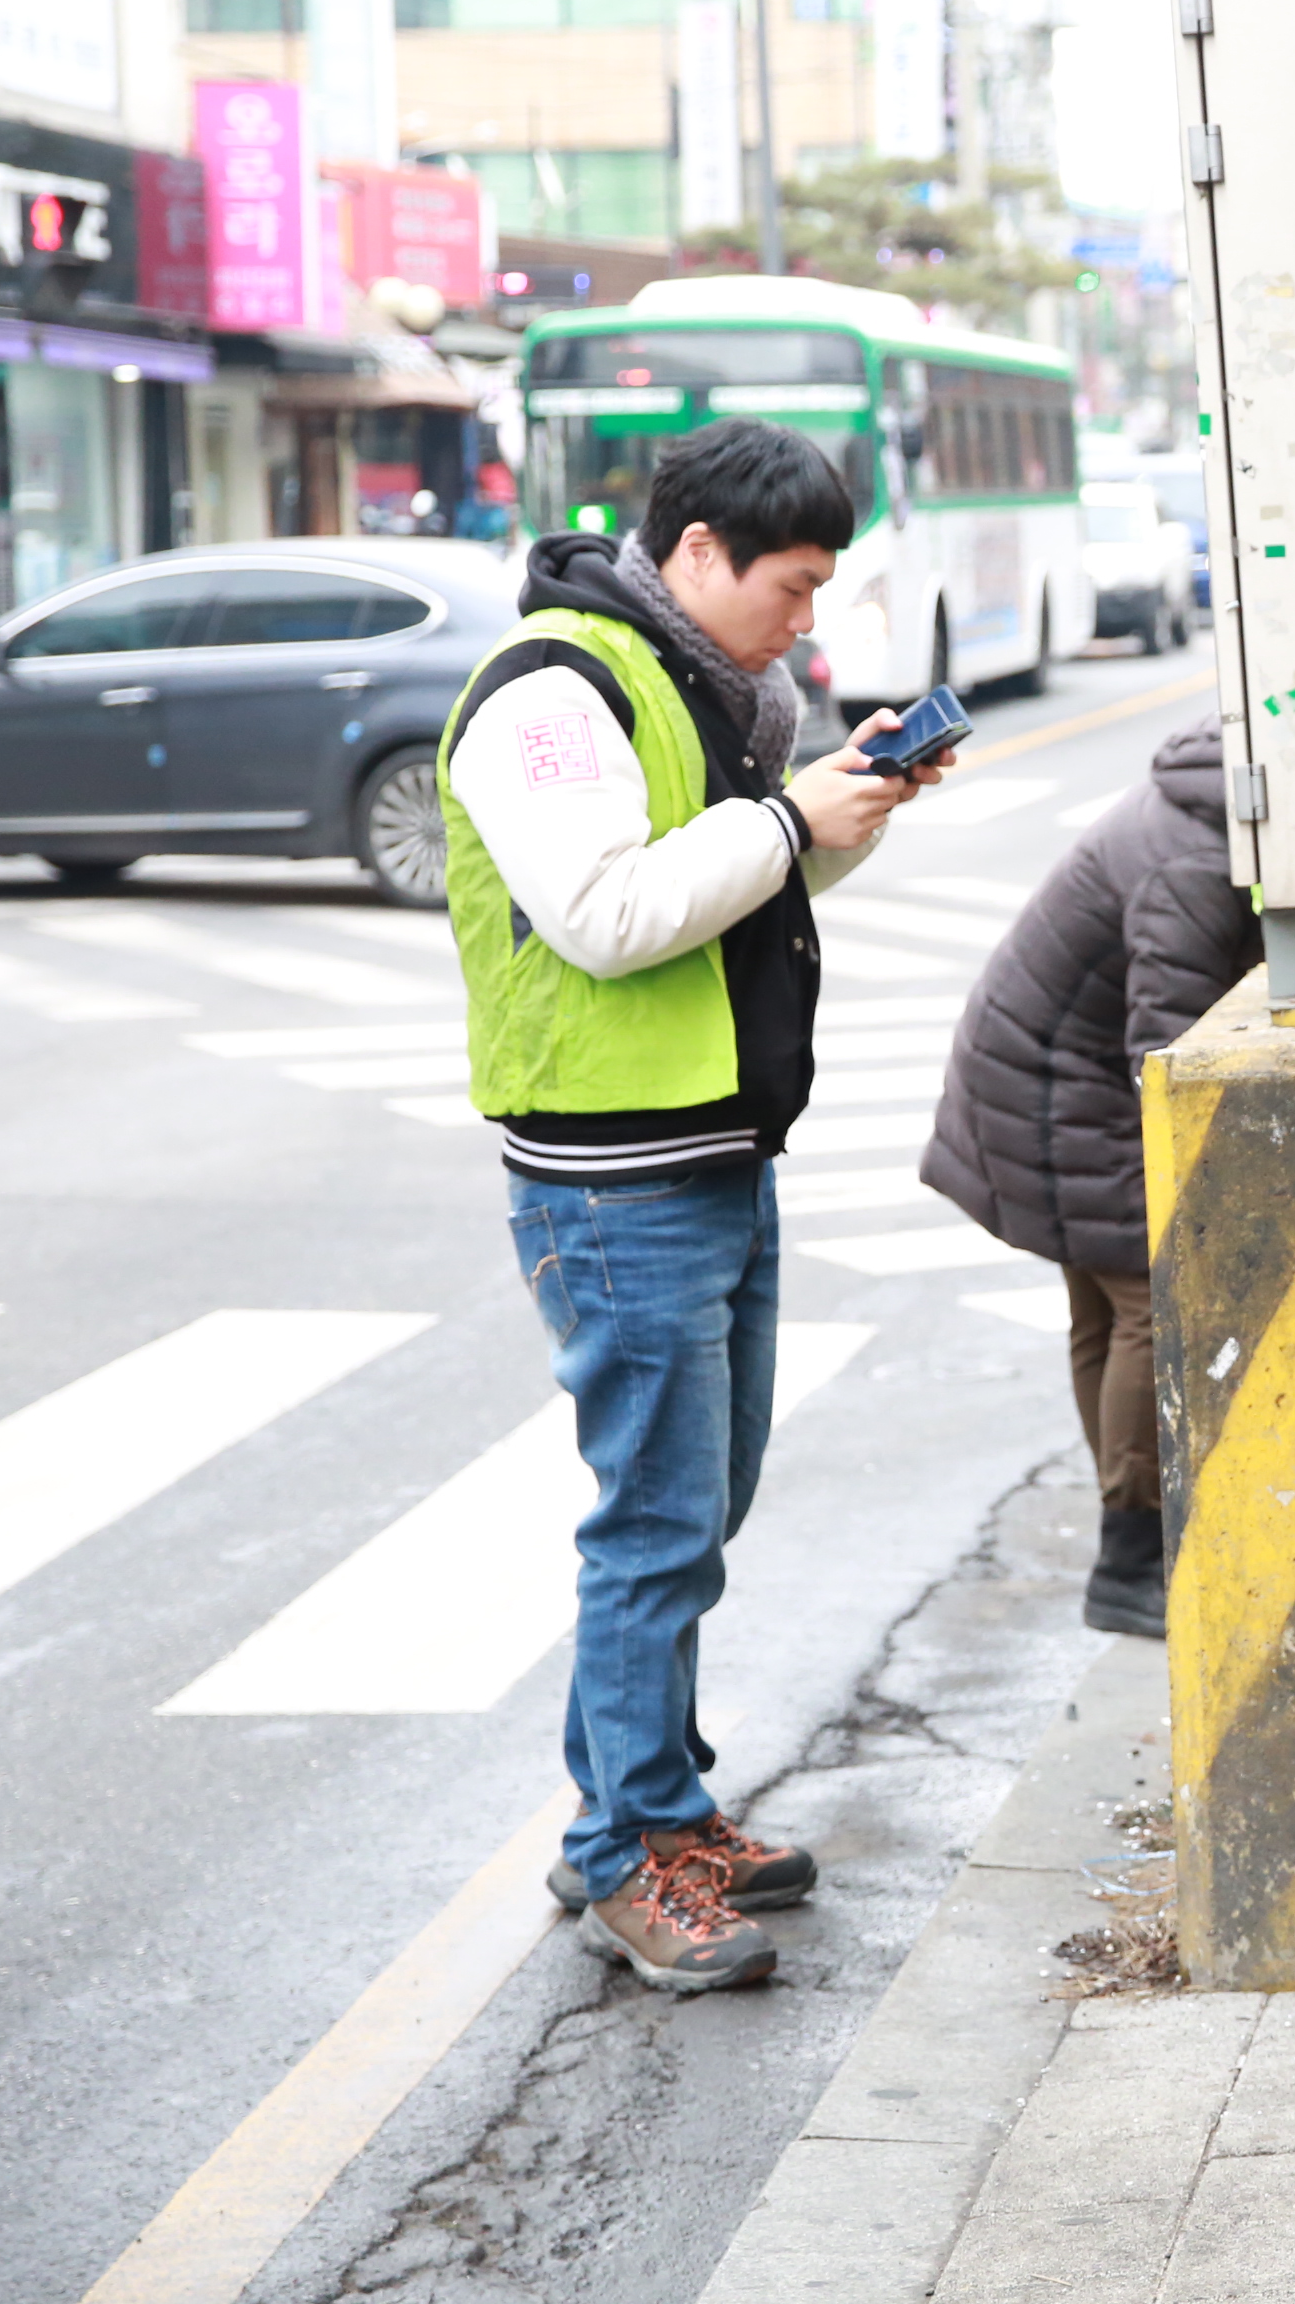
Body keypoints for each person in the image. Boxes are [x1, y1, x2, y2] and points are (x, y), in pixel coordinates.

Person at [442, 419, 943, 1993]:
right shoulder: (555, 690)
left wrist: (832, 815)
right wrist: (794, 822)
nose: (808, 623)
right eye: (791, 589)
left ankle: (659, 1805)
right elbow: (604, 916)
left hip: (710, 1144)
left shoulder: (698, 682)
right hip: (613, 1169)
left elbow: (715, 897)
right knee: (656, 1524)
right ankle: (617, 1854)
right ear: (700, 554)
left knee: (697, 1505)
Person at [921, 712, 1257, 1640]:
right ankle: (1132, 1555)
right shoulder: (1192, 860)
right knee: (1152, 1300)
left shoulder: (1200, 809)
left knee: (1107, 1311)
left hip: (1034, 1068)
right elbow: (1168, 1048)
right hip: (1057, 1088)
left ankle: (1133, 1529)